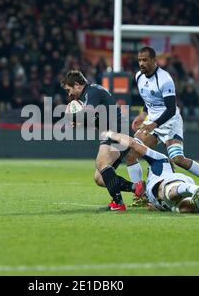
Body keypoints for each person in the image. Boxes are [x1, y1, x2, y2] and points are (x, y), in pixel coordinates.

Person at [126, 47, 199, 207]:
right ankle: (140, 196)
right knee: (131, 153)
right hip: (153, 121)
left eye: (145, 60)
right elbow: (148, 99)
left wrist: (152, 125)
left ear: (153, 60)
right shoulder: (139, 76)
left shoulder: (165, 79)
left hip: (170, 122)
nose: (141, 63)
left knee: (177, 159)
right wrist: (143, 115)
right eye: (139, 60)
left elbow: (171, 109)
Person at [60, 70, 144, 211]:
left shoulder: (91, 92)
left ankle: (118, 203)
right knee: (100, 178)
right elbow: (95, 118)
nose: (69, 94)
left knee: (101, 163)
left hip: (116, 132)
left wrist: (71, 117)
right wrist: (81, 122)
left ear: (77, 85)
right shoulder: (89, 94)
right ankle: (137, 188)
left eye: (69, 90)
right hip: (112, 132)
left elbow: (88, 114)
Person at [103, 130, 199, 213]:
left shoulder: (161, 160)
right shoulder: (151, 178)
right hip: (165, 202)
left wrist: (112, 134)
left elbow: (133, 144)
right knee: (185, 207)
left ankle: (195, 189)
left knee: (168, 191)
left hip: (171, 183)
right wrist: (152, 205)